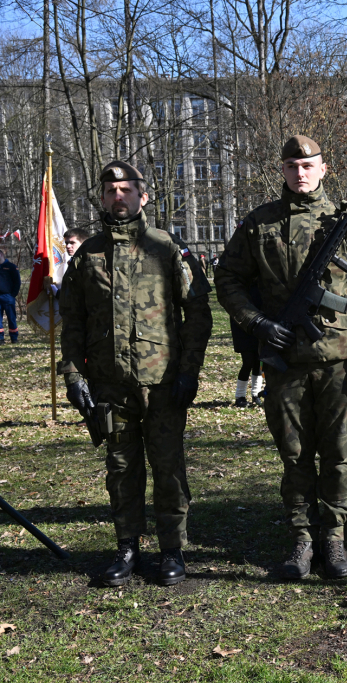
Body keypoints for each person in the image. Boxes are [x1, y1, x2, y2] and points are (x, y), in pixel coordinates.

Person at [215, 135, 347, 580]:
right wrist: (256, 323)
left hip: (338, 362)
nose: (300, 173)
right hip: (284, 361)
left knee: (338, 454)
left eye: (308, 165)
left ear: (323, 168)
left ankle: (333, 538)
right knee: (294, 456)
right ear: (283, 170)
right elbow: (228, 279)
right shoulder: (258, 224)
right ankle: (301, 540)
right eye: (292, 165)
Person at [59, 160, 213, 587]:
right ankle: (127, 547)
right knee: (121, 468)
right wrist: (73, 376)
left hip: (163, 384)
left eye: (127, 189)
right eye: (110, 191)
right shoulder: (87, 256)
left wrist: (189, 373)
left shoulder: (166, 248)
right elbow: (71, 322)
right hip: (111, 385)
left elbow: (198, 314)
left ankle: (172, 551)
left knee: (168, 468)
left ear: (143, 196)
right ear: (102, 198)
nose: (118, 197)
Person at [230, 283, 264, 408]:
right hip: (242, 325)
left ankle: (255, 394)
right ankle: (240, 396)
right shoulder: (240, 284)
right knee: (248, 361)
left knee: (258, 362)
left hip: (261, 325)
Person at [0, 248, 20, 344]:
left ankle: (14, 337)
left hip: (8, 297)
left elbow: (17, 282)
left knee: (11, 318)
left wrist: (12, 295)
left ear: (1, 255)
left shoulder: (11, 267)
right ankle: (0, 339)